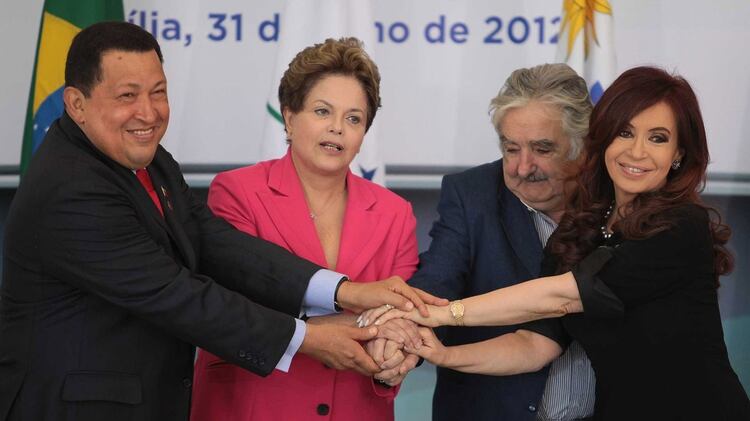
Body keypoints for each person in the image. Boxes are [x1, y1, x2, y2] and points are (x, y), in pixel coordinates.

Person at [0, 22, 441, 421]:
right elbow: (177, 294)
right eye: (127, 96)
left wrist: (345, 290)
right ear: (76, 103)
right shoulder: (71, 186)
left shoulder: (147, 159)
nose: (149, 113)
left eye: (159, 92)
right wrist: (306, 336)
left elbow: (214, 242)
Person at [372, 66, 750, 420]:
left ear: (678, 154)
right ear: (603, 141)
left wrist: (439, 314)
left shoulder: (680, 225)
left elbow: (563, 296)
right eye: (624, 133)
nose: (637, 151)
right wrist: (441, 352)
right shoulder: (583, 230)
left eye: (658, 138)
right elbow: (535, 345)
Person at [189, 37, 423, 421]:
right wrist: (363, 322)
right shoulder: (238, 192)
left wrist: (396, 354)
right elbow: (235, 305)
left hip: (355, 408)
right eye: (322, 111)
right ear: (289, 116)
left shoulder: (395, 213)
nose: (337, 129)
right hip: (254, 405)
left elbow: (400, 318)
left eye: (353, 118)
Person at [371, 63, 596, 421]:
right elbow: (437, 280)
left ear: (581, 147)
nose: (523, 167)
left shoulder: (617, 203)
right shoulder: (472, 195)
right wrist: (404, 331)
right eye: (511, 149)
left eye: (542, 149)